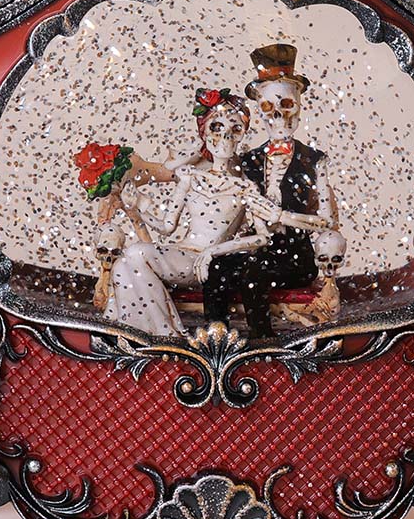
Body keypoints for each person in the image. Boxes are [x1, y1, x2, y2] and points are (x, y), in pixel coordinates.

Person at [106, 88, 325, 337]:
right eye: (217, 128)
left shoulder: (244, 186)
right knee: (125, 261)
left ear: (241, 135)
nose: (225, 137)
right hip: (180, 252)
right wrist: (137, 207)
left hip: (203, 262)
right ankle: (144, 332)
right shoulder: (190, 177)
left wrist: (215, 251)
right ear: (205, 133)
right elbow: (167, 227)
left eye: (235, 129)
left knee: (135, 254)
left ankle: (159, 334)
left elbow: (262, 238)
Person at [204, 44, 337, 340]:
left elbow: (328, 222)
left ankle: (262, 343)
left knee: (255, 271)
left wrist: (282, 216)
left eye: (286, 105)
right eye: (267, 108)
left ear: (298, 108)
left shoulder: (314, 160)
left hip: (296, 256)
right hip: (258, 246)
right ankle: (215, 339)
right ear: (260, 113)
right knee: (218, 268)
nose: (278, 116)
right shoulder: (249, 160)